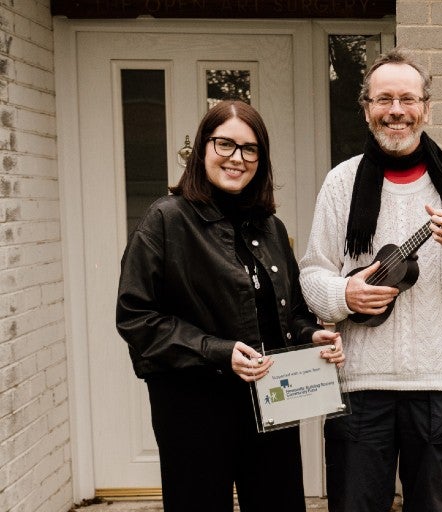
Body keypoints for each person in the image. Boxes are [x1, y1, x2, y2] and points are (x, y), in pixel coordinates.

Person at [116, 100, 345, 512]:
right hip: (192, 406)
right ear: (204, 147)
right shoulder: (166, 220)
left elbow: (290, 311)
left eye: (250, 148)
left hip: (271, 400)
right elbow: (136, 317)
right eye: (226, 144)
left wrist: (313, 335)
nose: (237, 158)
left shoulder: (270, 226)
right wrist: (218, 351)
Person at [298, 49, 442, 512]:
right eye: (383, 99)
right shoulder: (341, 183)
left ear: (426, 107)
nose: (396, 111)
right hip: (359, 385)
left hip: (438, 384)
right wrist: (344, 293)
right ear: (366, 108)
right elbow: (312, 273)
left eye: (407, 99)